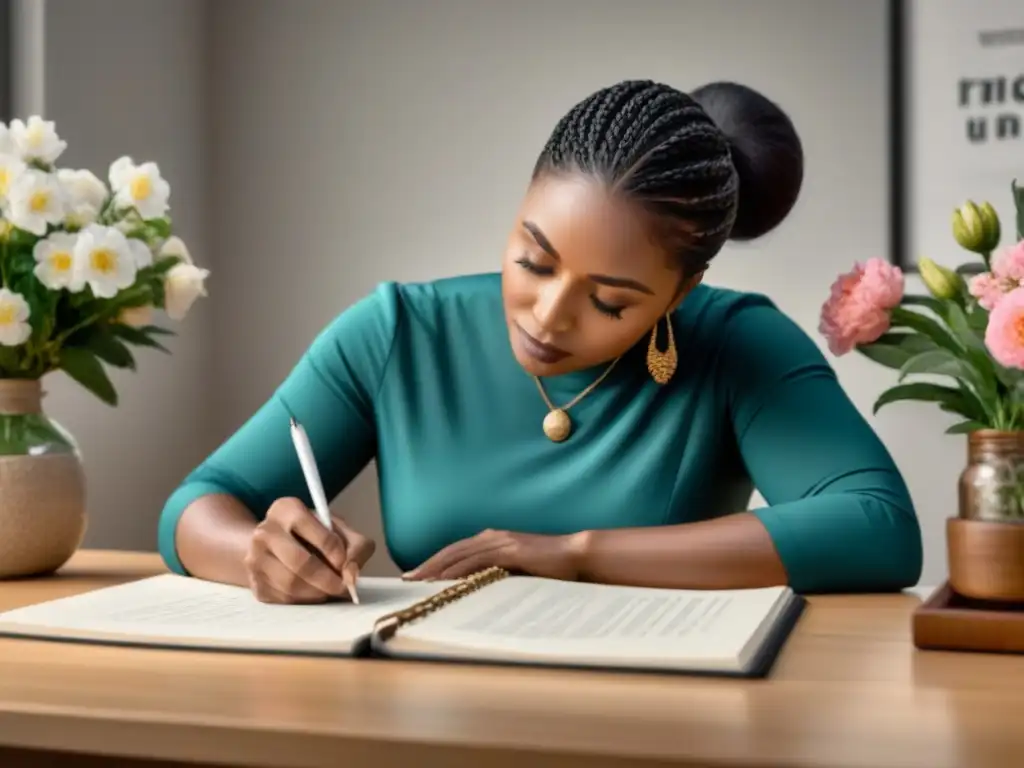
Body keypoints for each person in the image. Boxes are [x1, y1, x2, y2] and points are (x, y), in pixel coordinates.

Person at [159, 79, 923, 604]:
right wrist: (258, 556)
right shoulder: (398, 333)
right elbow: (194, 508)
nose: (548, 316)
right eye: (533, 259)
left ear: (678, 294)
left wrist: (575, 554)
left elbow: (878, 528)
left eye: (608, 300)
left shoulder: (734, 344)